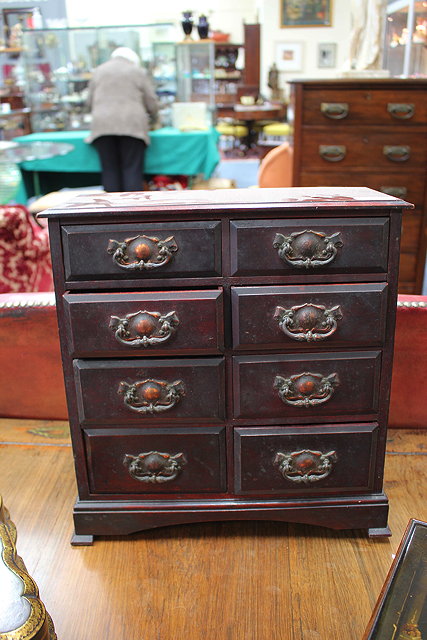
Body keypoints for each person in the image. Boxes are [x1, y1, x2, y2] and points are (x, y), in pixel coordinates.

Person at [86, 47, 159, 192]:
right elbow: (151, 101)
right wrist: (155, 120)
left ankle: (111, 212)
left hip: (102, 126)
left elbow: (88, 102)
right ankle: (133, 212)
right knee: (132, 169)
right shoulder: (137, 71)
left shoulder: (99, 71)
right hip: (132, 126)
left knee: (109, 170)